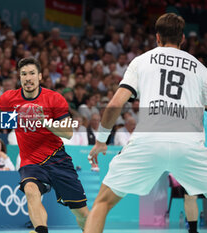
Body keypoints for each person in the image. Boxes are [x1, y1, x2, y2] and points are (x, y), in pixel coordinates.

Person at [85, 13, 207, 233]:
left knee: (102, 203)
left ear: (157, 38)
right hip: (189, 144)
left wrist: (101, 140)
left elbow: (114, 105)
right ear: (182, 40)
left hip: (148, 141)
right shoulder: (200, 69)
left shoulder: (141, 61)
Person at [0, 57, 89, 233]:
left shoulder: (54, 99)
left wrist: (46, 122)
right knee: (30, 190)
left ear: (40, 77)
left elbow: (68, 132)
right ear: (20, 77)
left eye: (32, 73)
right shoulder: (10, 98)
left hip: (57, 159)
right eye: (24, 74)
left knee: (82, 214)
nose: (28, 77)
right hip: (30, 162)